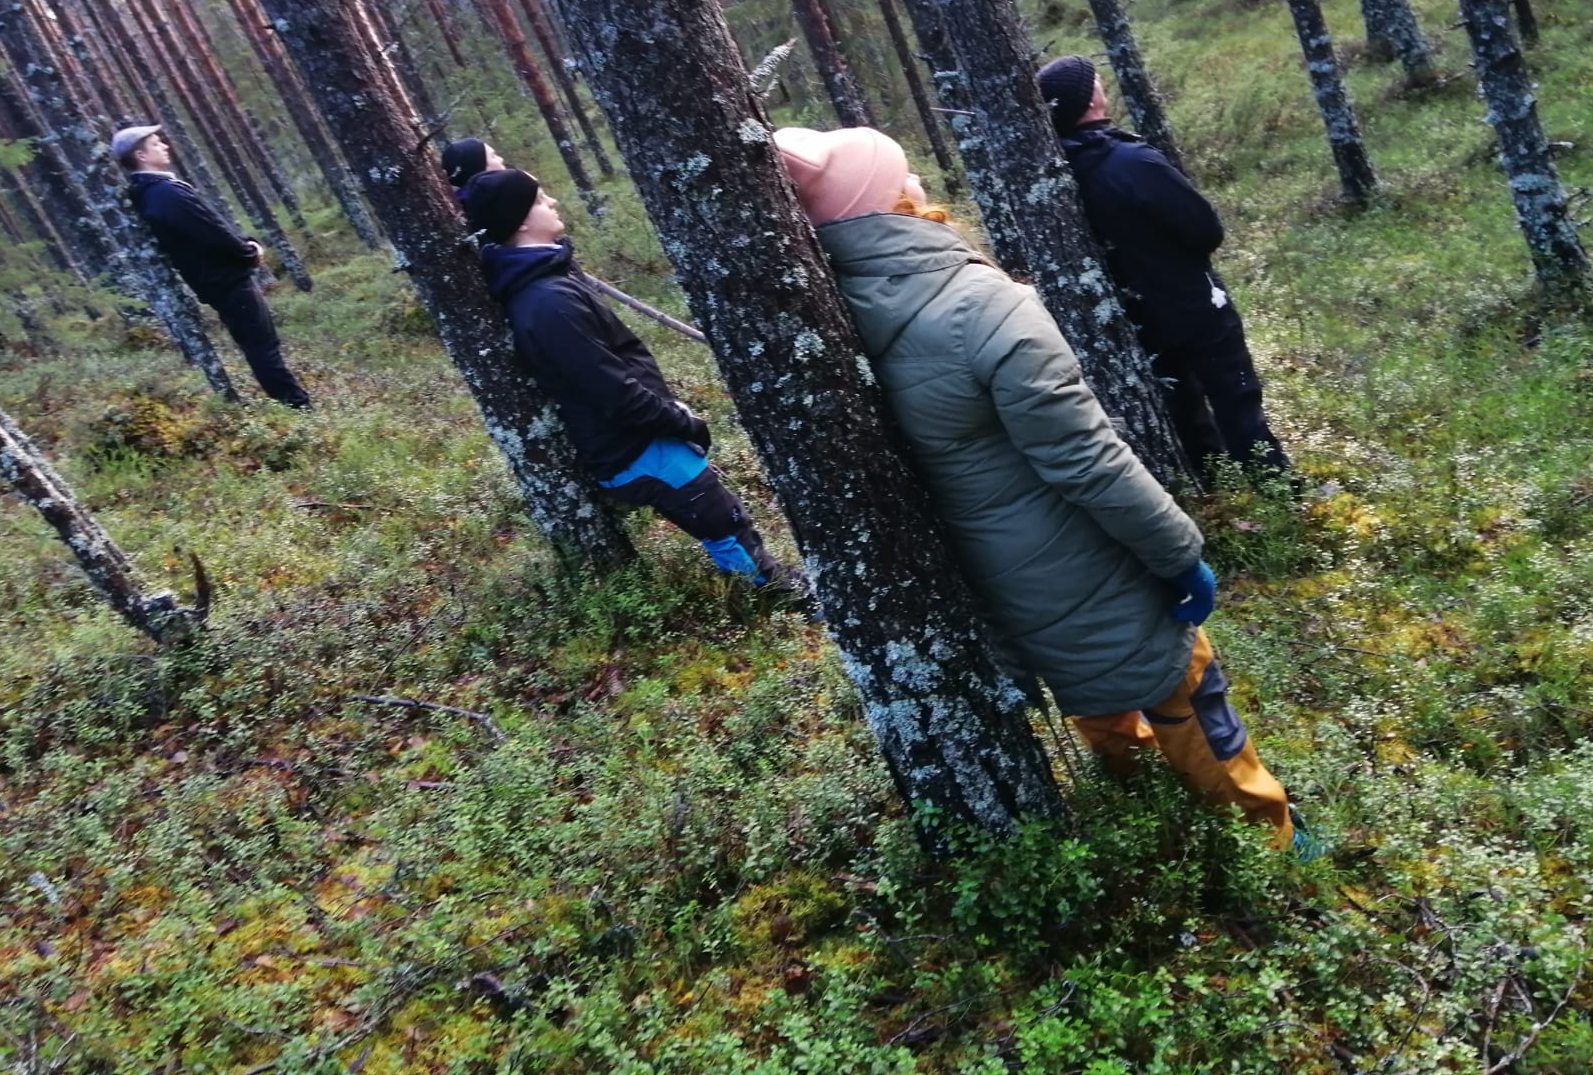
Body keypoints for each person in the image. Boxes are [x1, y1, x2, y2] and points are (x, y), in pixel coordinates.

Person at [773, 125, 1297, 847]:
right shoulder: (983, 305)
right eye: (905, 172)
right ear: (891, 200)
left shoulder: (826, 317)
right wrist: (1178, 554)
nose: (920, 179)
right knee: (1189, 689)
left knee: (1094, 693)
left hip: (985, 579)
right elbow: (1086, 461)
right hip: (1082, 560)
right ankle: (1270, 833)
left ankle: (1136, 799)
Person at [462, 167, 796, 592]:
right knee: (721, 523)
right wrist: (682, 422)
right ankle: (773, 594)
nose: (554, 203)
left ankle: (768, 585)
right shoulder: (547, 301)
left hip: (641, 435)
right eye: (542, 199)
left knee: (724, 518)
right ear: (522, 221)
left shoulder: (547, 279)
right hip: (635, 444)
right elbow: (613, 391)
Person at [1036, 55, 1291, 477]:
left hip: (1135, 316)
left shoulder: (1061, 172)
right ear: (1090, 101)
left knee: (1181, 406)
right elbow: (1204, 230)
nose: (1102, 84)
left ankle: (1215, 489)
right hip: (1193, 302)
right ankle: (1278, 490)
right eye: (1095, 81)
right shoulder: (1133, 162)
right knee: (1236, 397)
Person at [112, 124, 312, 408]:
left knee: (259, 345)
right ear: (141, 156)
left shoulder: (153, 191)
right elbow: (210, 232)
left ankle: (294, 404)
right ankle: (298, 407)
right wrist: (247, 252)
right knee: (262, 346)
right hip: (225, 279)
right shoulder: (164, 194)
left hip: (216, 278)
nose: (165, 146)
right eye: (157, 144)